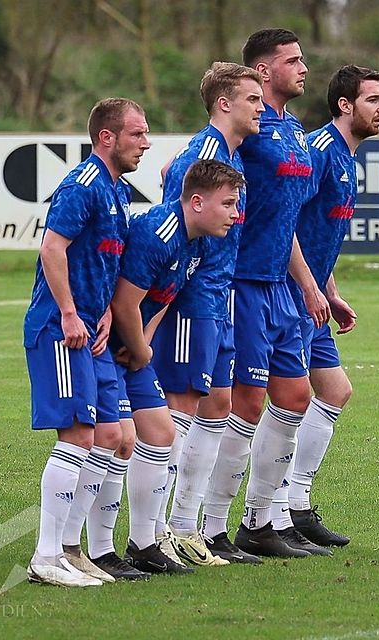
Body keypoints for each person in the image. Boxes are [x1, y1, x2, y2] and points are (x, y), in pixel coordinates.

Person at [200, 28, 330, 558]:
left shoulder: (294, 129)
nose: (303, 68)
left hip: (282, 286)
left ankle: (263, 522)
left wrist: (310, 284)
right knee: (245, 404)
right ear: (262, 70)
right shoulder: (248, 129)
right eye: (292, 61)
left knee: (296, 397)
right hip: (245, 282)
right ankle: (209, 528)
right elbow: (189, 178)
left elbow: (286, 220)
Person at [24, 97, 150, 587]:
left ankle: (72, 552)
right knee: (77, 436)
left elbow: (103, 262)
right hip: (59, 330)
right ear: (107, 138)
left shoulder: (117, 191)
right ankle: (45, 557)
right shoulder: (83, 185)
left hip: (88, 331)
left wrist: (100, 317)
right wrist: (73, 312)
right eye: (137, 134)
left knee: (113, 436)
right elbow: (52, 249)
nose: (145, 142)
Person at [149, 62, 264, 567]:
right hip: (192, 300)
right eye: (252, 99)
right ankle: (154, 534)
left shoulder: (231, 156)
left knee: (217, 405)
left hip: (221, 299)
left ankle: (188, 528)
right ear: (224, 104)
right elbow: (175, 227)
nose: (261, 108)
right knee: (180, 410)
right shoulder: (198, 157)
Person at [107, 159, 246, 575]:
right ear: (197, 202)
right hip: (101, 345)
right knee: (104, 440)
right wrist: (139, 348)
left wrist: (144, 342)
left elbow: (163, 298)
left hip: (130, 345)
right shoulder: (159, 231)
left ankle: (144, 542)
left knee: (160, 432)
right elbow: (123, 301)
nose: (235, 214)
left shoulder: (198, 240)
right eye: (229, 204)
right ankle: (84, 549)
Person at [274, 65, 379, 548]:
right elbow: (287, 224)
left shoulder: (347, 156)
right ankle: (272, 513)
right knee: (288, 402)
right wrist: (307, 286)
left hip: (314, 293)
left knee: (335, 391)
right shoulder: (319, 153)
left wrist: (331, 288)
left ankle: (297, 505)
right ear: (345, 105)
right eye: (373, 100)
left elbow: (323, 234)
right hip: (292, 292)